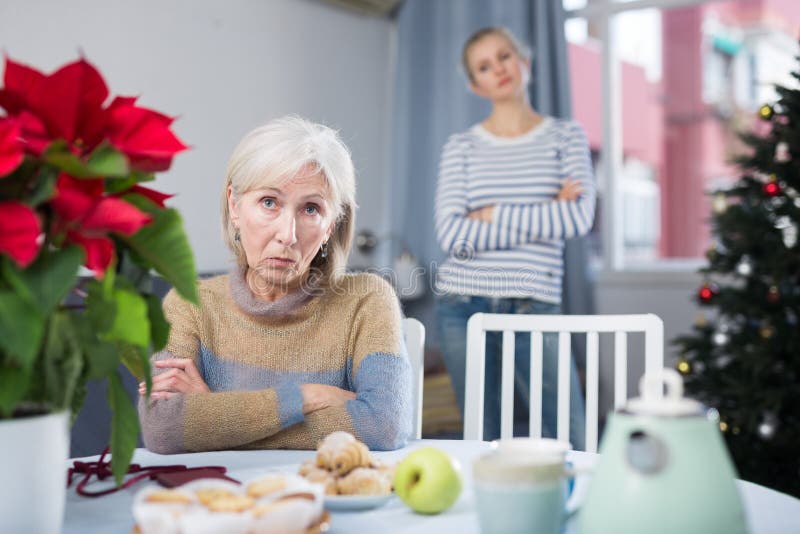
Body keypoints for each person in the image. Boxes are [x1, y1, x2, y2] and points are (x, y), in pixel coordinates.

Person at [138, 116, 412, 453]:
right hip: (225, 500)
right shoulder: (190, 304)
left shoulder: (367, 300)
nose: (288, 234)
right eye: (269, 202)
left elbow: (384, 426)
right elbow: (163, 428)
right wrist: (307, 396)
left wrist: (218, 419)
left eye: (311, 209)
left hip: (328, 497)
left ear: (330, 226)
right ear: (234, 206)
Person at [434, 27, 596, 446]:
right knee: (481, 440)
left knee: (572, 438)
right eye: (484, 66)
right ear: (475, 84)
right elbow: (452, 233)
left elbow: (577, 219)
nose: (499, 69)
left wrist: (491, 214)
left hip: (534, 302)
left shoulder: (567, 136)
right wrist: (546, 212)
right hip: (462, 304)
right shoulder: (461, 146)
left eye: (505, 56)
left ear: (525, 61)